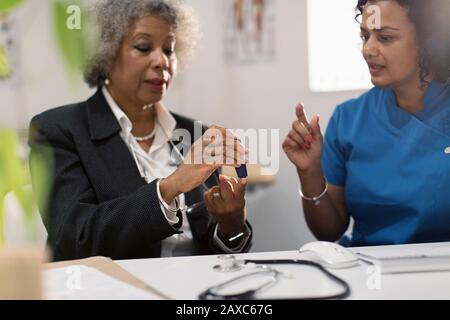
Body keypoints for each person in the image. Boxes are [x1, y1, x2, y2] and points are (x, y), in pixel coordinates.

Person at [29, 0, 252, 261]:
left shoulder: (194, 133)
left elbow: (224, 251)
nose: (161, 61)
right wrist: (170, 187)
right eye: (143, 47)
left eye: (169, 50)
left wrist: (231, 224)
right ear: (106, 53)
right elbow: (77, 237)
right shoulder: (58, 130)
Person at [283, 0, 450, 247]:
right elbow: (328, 232)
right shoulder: (348, 120)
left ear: (429, 41)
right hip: (367, 275)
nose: (367, 49)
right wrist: (310, 174)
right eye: (365, 36)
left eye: (384, 38)